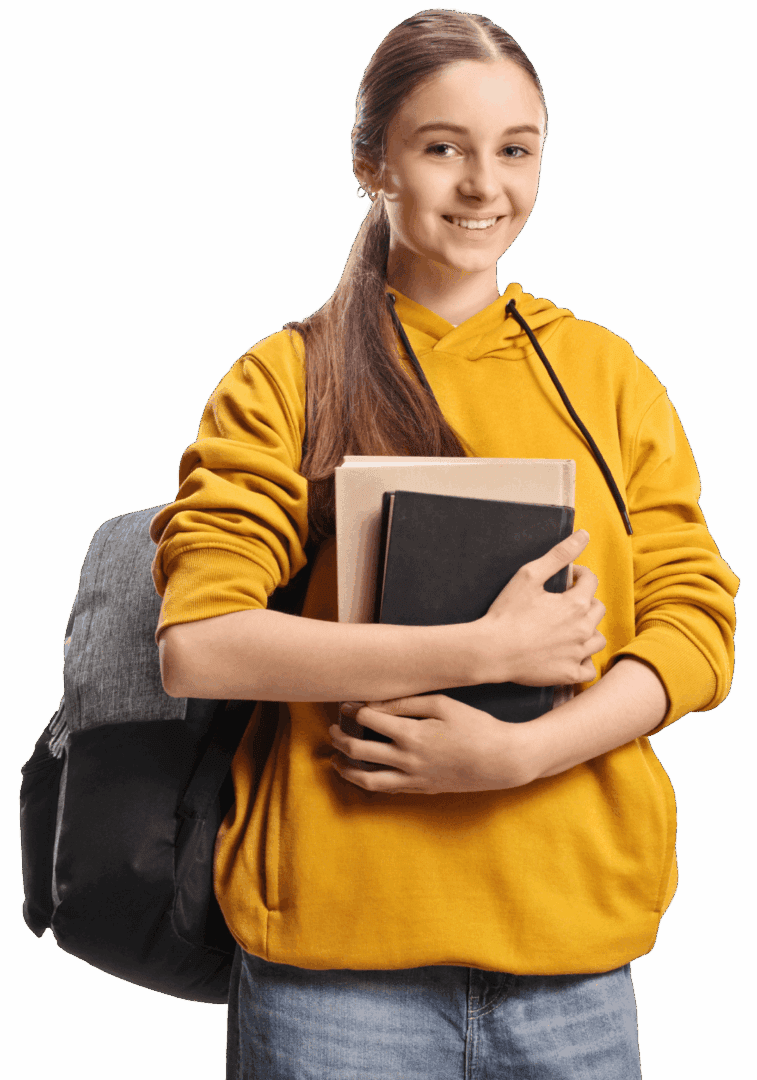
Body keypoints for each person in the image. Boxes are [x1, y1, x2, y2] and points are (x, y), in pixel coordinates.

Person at [148, 9, 738, 1078]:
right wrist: (485, 651)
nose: (483, 185)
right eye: (442, 148)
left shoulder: (608, 376)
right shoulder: (286, 378)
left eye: (515, 150)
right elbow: (200, 643)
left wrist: (519, 754)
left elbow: (696, 624)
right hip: (334, 972)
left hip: (572, 959)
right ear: (370, 161)